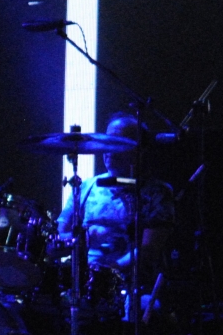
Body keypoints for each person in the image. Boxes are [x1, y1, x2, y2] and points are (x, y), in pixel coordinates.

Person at [55, 112, 174, 309]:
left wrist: (112, 270)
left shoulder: (157, 192)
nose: (109, 148)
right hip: (81, 281)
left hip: (130, 287)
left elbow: (149, 248)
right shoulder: (86, 187)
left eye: (118, 141)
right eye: (107, 140)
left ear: (138, 149)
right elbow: (61, 233)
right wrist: (79, 240)